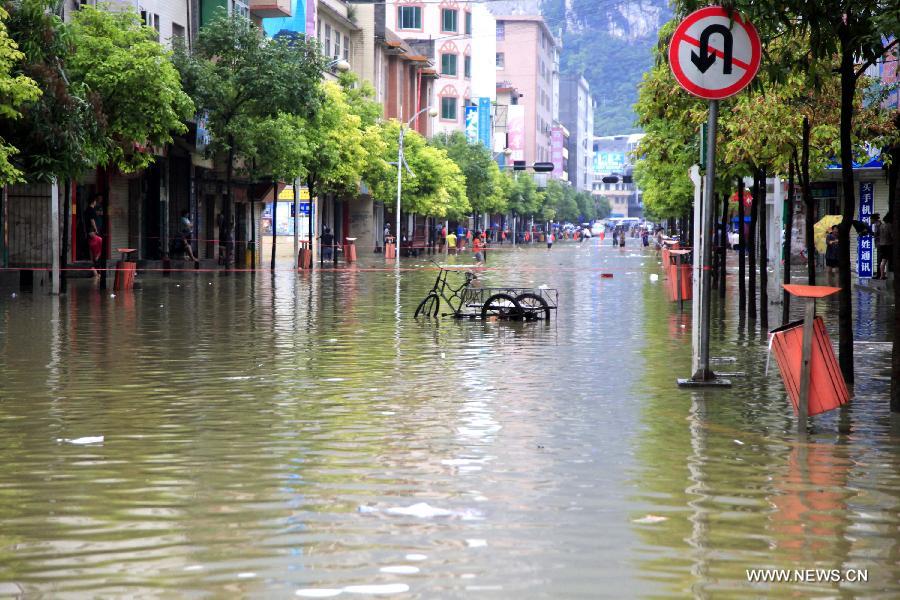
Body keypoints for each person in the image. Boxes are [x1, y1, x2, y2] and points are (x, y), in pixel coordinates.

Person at [83, 194, 103, 278]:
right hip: (91, 232)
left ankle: (95, 268)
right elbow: (92, 220)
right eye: (95, 201)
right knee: (99, 242)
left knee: (94, 249)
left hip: (90, 232)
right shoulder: (90, 210)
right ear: (93, 201)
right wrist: (95, 229)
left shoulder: (88, 209)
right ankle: (95, 264)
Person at [877, 213, 893, 279]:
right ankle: (890, 275)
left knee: (883, 261)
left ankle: (882, 275)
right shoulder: (890, 225)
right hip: (888, 245)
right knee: (890, 260)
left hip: (882, 245)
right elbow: (892, 235)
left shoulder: (881, 226)